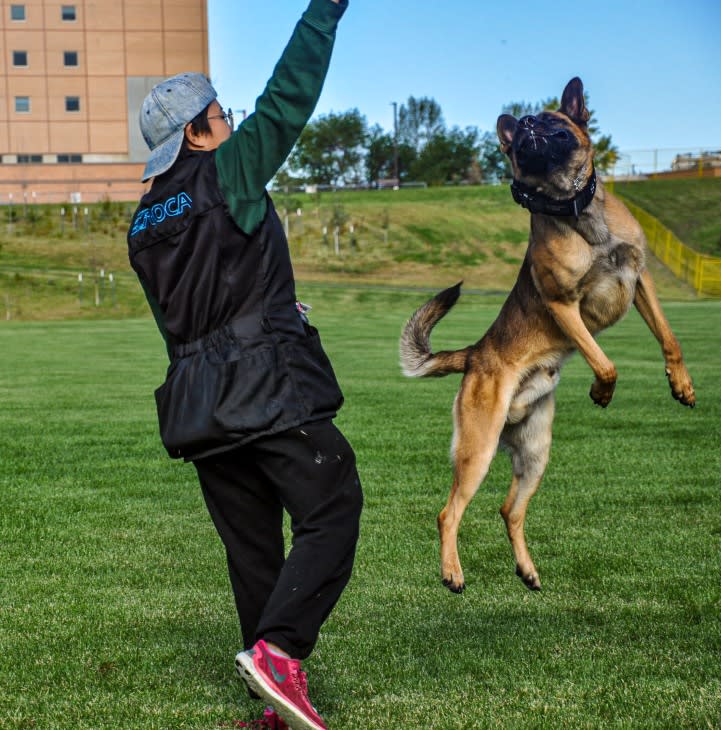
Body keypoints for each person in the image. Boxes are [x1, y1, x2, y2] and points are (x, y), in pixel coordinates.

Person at [126, 2, 361, 729]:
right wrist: (325, 11)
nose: (232, 123)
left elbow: (181, 327)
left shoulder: (140, 224)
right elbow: (291, 94)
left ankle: (272, 707)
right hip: (268, 393)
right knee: (332, 509)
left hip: (200, 413)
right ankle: (281, 654)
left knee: (253, 555)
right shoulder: (228, 173)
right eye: (222, 116)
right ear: (196, 132)